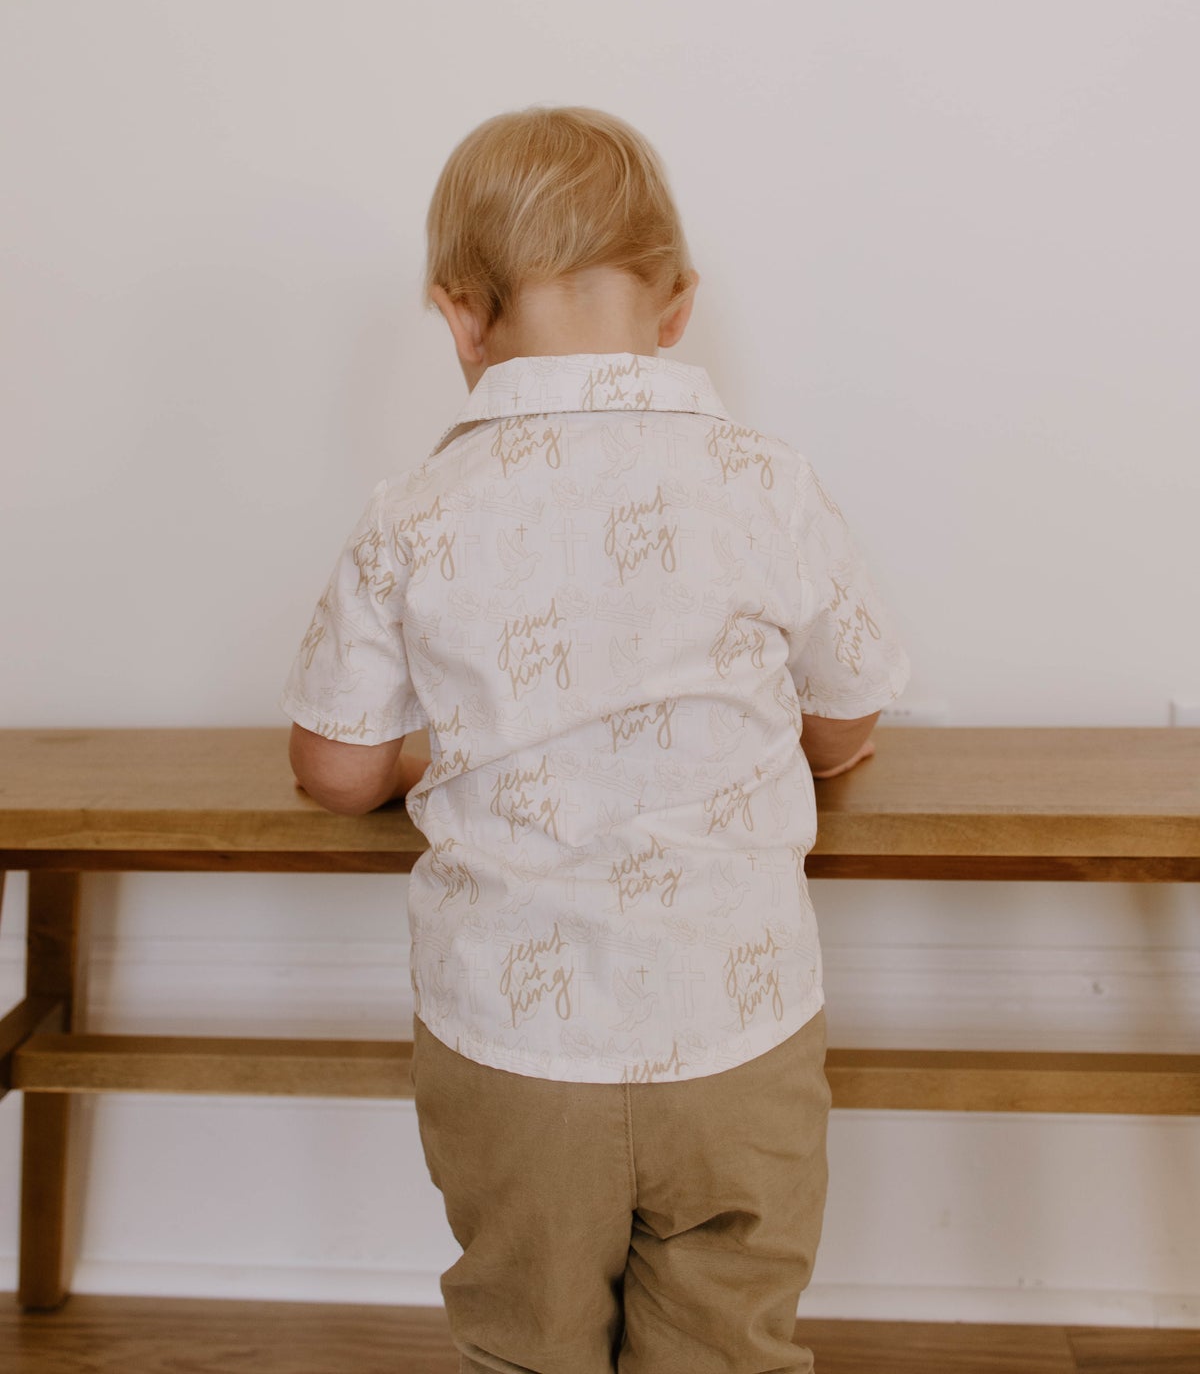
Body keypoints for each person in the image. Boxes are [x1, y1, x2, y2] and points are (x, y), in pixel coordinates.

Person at [279, 105, 912, 1374]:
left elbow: (335, 768)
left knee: (529, 1345)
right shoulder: (764, 481)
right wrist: (818, 752)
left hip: (516, 1056)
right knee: (730, 1342)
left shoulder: (414, 514)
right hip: (737, 1035)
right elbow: (845, 715)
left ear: (459, 317)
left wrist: (431, 753)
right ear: (677, 309)